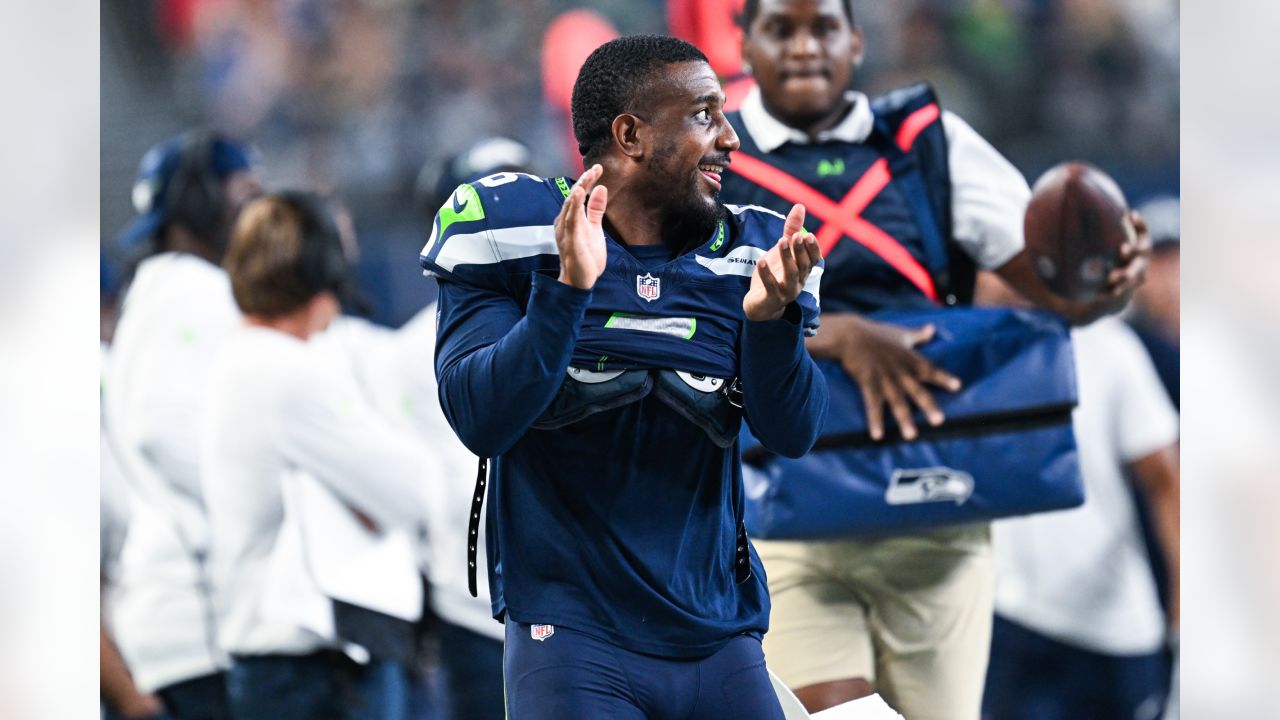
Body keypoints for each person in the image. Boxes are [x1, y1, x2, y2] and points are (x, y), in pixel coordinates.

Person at [717, 2, 1151, 717]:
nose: (803, 46)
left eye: (823, 27)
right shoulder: (716, 155)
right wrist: (842, 334)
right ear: (745, 43)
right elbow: (683, 306)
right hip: (781, 511)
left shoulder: (929, 143)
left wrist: (1108, 282)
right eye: (781, 29)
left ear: (856, 41)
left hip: (939, 513)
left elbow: (1061, 300)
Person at [420, 34, 828, 720]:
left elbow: (793, 432)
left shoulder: (753, 253)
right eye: (704, 114)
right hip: (573, 638)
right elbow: (479, 417)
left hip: (719, 635)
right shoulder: (512, 234)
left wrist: (771, 324)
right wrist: (565, 293)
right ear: (630, 134)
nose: (729, 137)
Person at [201, 192, 433, 720]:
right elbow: (412, 488)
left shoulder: (242, 359)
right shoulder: (288, 373)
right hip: (313, 668)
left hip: (280, 665)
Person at [103, 130, 260, 720]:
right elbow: (162, 431)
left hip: (185, 612)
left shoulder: (165, 290)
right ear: (199, 199)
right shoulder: (194, 292)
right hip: (200, 615)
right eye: (244, 190)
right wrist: (254, 515)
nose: (257, 210)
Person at [976, 273, 1179, 720]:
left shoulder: (1107, 346)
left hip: (1110, 629)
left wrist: (1184, 604)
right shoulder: (964, 341)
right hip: (1006, 617)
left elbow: (1166, 480)